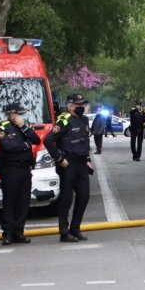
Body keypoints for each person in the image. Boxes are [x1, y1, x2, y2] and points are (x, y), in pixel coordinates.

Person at [44, 94, 93, 243]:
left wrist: (88, 158)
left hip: (81, 162)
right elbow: (48, 140)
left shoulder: (84, 120)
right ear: (71, 106)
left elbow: (85, 140)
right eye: (79, 105)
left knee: (84, 196)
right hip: (68, 163)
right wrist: (59, 159)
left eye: (82, 105)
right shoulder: (64, 121)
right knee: (66, 199)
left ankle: (75, 228)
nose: (81, 108)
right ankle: (64, 232)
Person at [0, 102, 41, 245]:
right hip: (10, 169)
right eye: (20, 113)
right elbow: (8, 147)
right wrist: (26, 145)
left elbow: (36, 140)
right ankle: (7, 233)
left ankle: (19, 231)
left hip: (24, 168)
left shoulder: (26, 126)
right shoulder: (3, 127)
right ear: (12, 114)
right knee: (10, 201)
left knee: (23, 201)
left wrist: (23, 126)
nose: (22, 115)